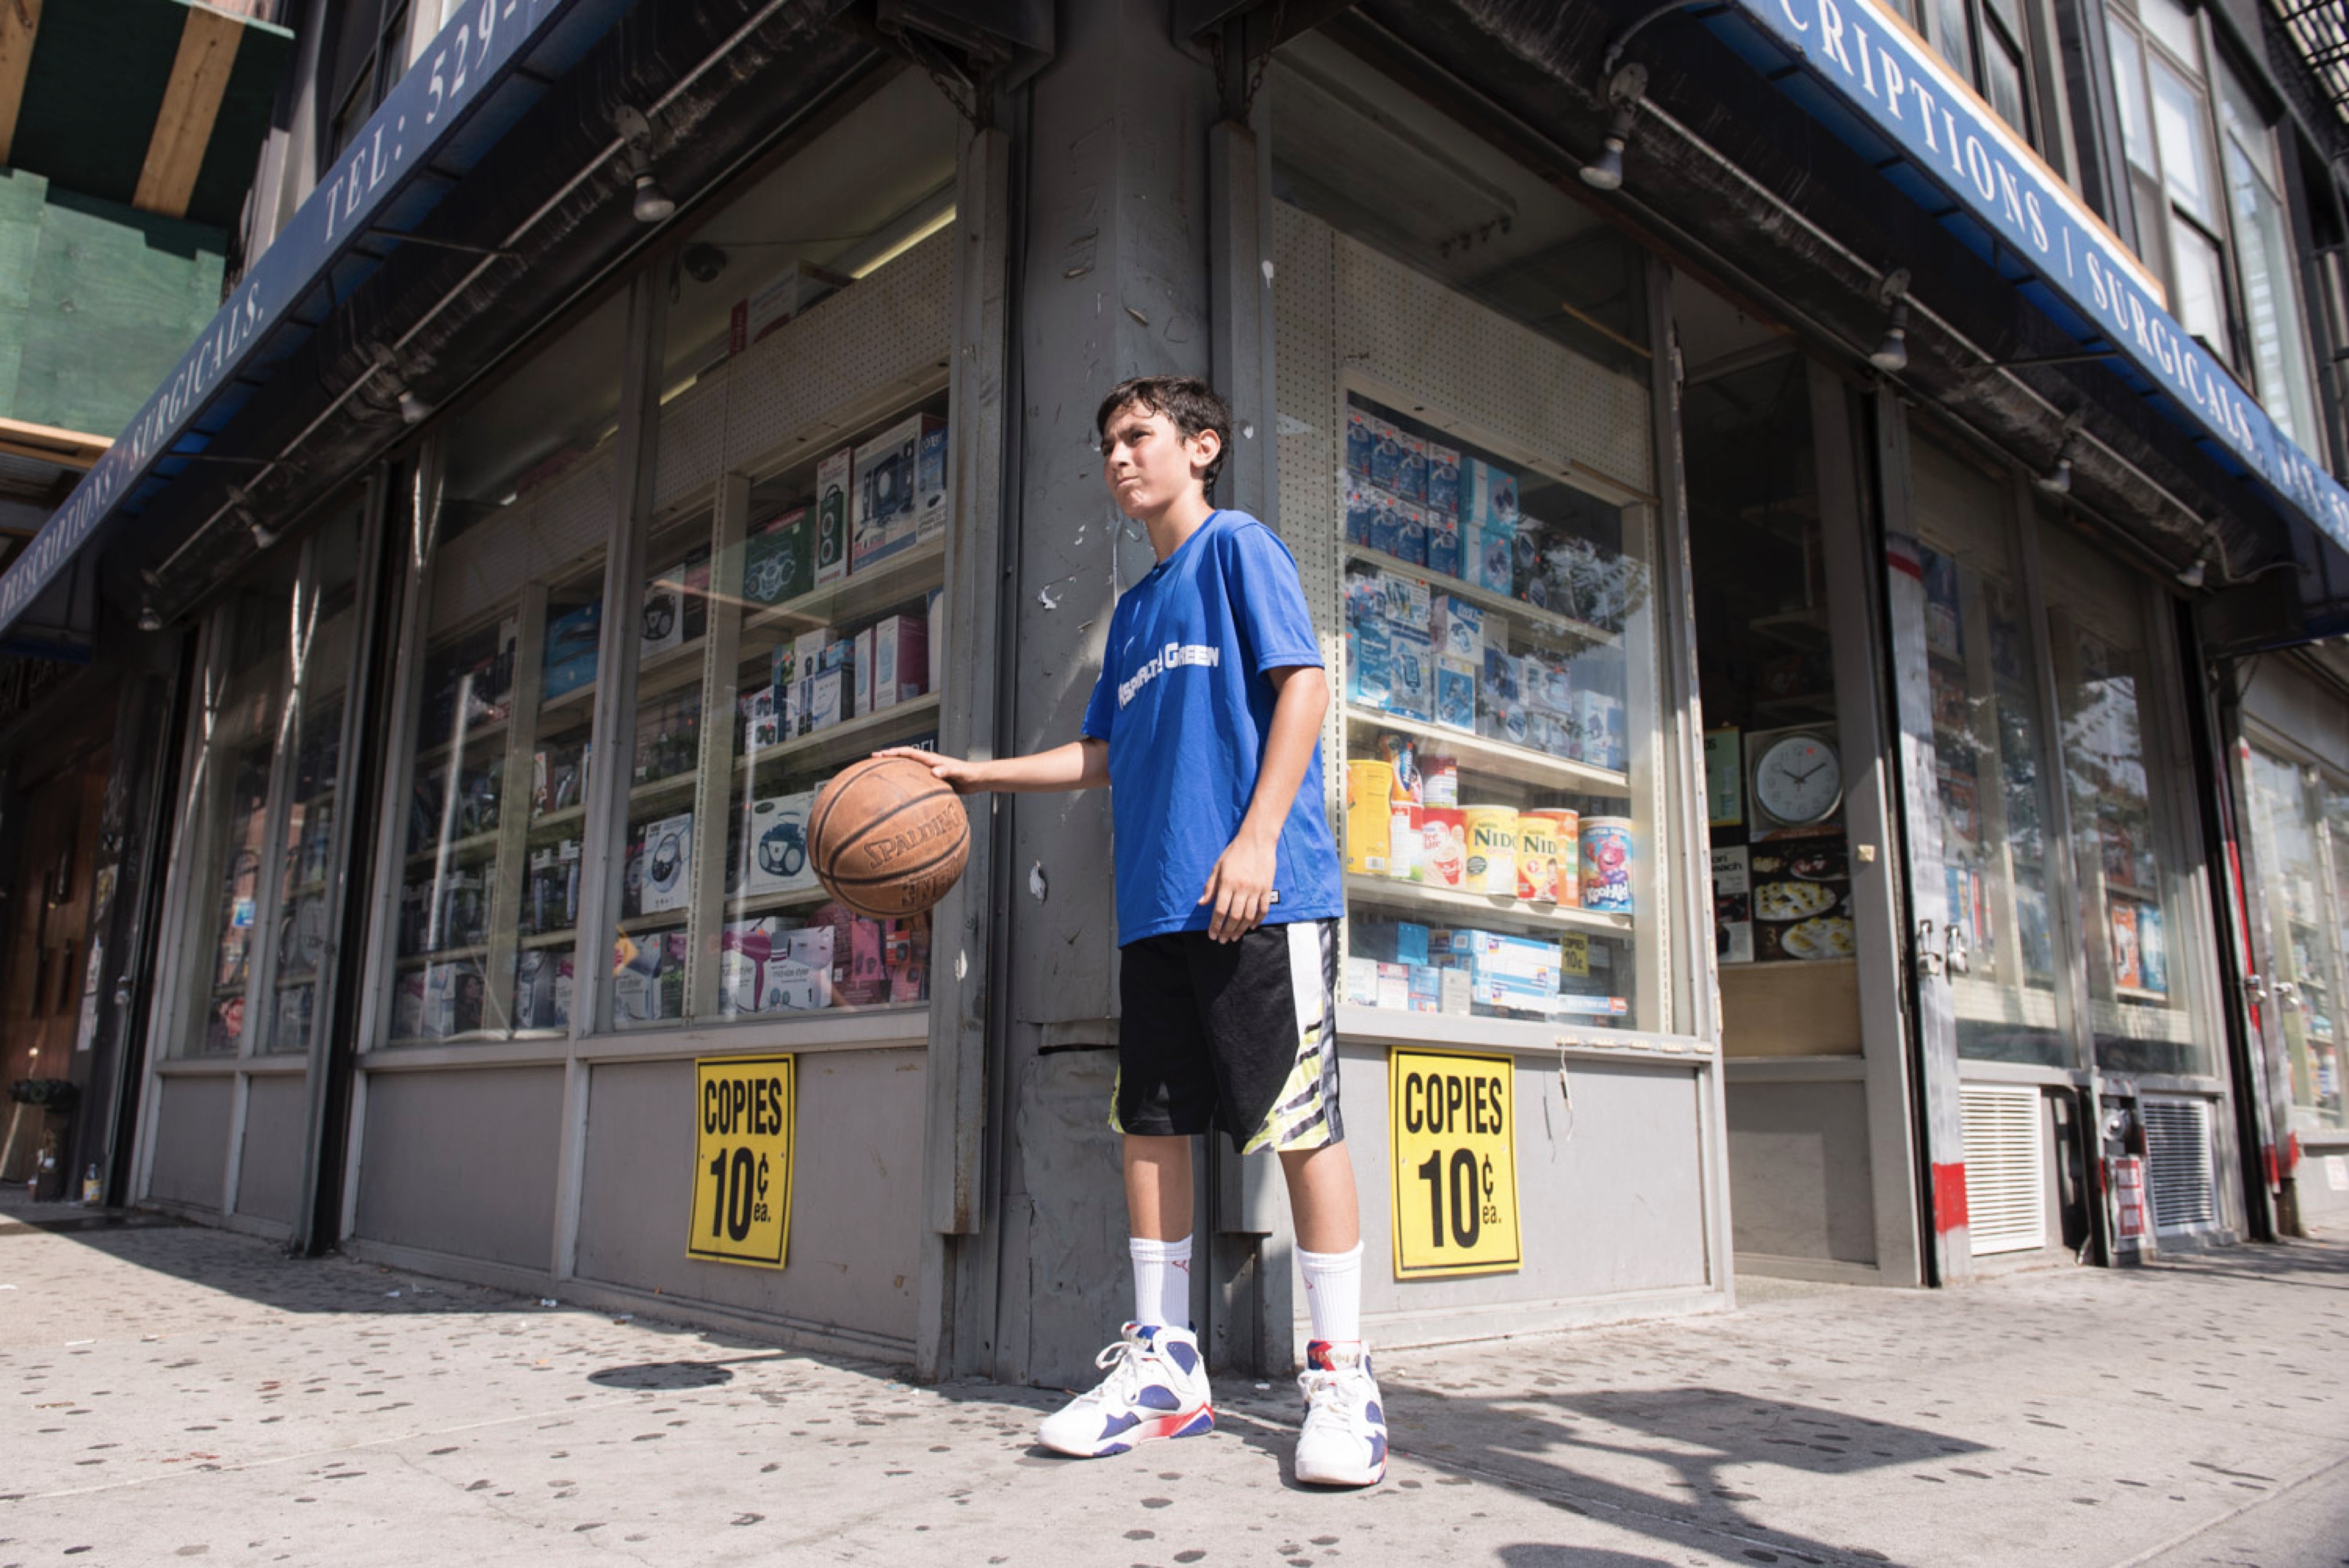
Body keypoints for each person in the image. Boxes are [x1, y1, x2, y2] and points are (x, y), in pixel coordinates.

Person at [875, 374, 1384, 1487]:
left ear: (1203, 445)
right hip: (1159, 905)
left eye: (1139, 436)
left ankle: (1342, 1378)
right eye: (1107, 442)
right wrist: (973, 772)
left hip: (1266, 892)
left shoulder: (1238, 546)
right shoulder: (1140, 608)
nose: (1119, 457)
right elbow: (1100, 754)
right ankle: (1167, 1367)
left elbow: (1301, 684)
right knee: (1150, 1123)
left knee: (1303, 1122)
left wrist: (1254, 841)